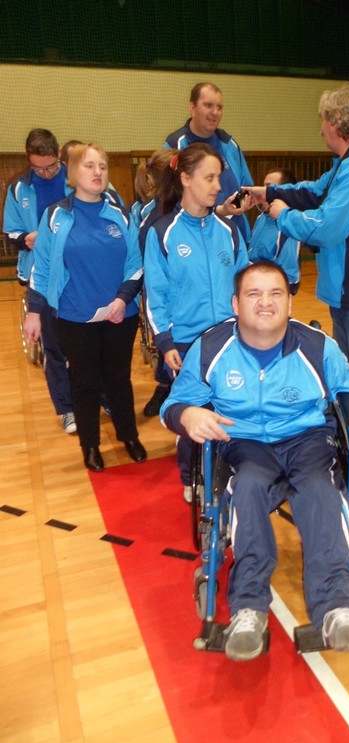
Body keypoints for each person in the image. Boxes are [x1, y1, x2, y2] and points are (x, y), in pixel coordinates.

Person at [160, 261, 349, 661]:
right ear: (236, 304)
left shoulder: (317, 346)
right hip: (244, 444)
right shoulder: (211, 348)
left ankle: (337, 610)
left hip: (307, 440)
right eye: (254, 294)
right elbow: (174, 404)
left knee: (320, 491)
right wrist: (187, 414)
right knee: (248, 487)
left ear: (290, 303)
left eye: (276, 293)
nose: (265, 302)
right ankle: (248, 610)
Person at [246, 86, 349, 496]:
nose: (320, 129)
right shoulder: (347, 164)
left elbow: (327, 226)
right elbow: (313, 191)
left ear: (336, 123)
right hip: (344, 291)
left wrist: (282, 215)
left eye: (323, 121)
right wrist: (268, 193)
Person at [23, 143, 146, 473]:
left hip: (121, 315)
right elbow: (42, 267)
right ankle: (90, 445)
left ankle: (128, 436)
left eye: (102, 166)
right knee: (84, 382)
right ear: (73, 172)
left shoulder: (121, 215)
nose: (97, 172)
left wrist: (122, 299)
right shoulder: (56, 216)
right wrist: (34, 312)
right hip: (74, 318)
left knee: (118, 379)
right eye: (89, 166)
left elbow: (136, 264)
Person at [144, 143, 249, 498]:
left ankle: (230, 469)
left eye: (219, 177)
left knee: (230, 409)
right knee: (194, 414)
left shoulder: (229, 231)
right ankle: (192, 477)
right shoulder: (163, 232)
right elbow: (155, 296)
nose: (218, 185)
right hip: (187, 345)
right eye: (209, 178)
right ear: (186, 179)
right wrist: (165, 342)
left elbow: (245, 282)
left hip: (231, 340)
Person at [3, 128, 76, 434]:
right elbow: (10, 233)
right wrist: (26, 239)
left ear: (59, 154)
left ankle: (98, 396)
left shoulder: (77, 176)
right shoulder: (18, 188)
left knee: (86, 344)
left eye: (51, 167)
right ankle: (66, 408)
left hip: (78, 274)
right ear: (28, 159)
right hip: (41, 277)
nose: (45, 173)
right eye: (38, 168)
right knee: (54, 348)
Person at [163, 81, 253, 241]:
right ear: (192, 107)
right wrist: (220, 211)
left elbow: (247, 188)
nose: (215, 112)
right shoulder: (175, 145)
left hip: (235, 237)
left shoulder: (229, 144)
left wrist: (235, 207)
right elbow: (170, 200)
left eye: (219, 107)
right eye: (208, 105)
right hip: (193, 240)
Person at [131, 149, 177, 417]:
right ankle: (165, 386)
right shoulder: (150, 214)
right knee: (166, 339)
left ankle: (172, 387)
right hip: (160, 289)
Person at [248, 167, 301, 294]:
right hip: (251, 284)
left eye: (269, 187)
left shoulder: (288, 228)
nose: (263, 191)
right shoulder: (262, 217)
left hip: (268, 293)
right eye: (264, 186)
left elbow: (290, 279)